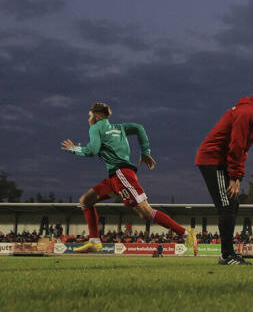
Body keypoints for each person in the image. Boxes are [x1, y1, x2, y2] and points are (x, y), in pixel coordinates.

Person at [61, 102, 197, 254]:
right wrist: (145, 152)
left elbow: (92, 150)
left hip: (121, 175)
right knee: (86, 201)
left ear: (97, 116)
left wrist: (74, 149)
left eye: (90, 116)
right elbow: (139, 128)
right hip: (116, 177)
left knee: (145, 212)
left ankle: (186, 234)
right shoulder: (119, 128)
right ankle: (94, 241)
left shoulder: (95, 127)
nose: (89, 120)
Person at [195, 81, 253, 265]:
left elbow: (242, 150)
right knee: (226, 206)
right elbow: (236, 146)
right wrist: (234, 176)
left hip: (223, 162)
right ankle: (226, 255)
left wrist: (237, 176)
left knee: (233, 205)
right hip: (213, 160)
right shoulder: (248, 112)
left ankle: (228, 254)